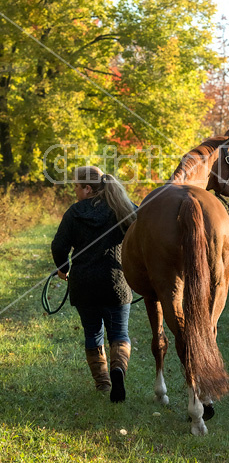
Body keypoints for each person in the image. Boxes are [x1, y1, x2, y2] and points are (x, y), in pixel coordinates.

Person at [51, 166, 137, 403]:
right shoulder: (122, 208)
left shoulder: (74, 212)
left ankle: (102, 383)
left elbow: (59, 246)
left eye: (76, 187)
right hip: (116, 282)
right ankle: (118, 369)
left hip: (83, 284)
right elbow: (143, 230)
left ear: (87, 188)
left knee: (92, 333)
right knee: (119, 333)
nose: (76, 192)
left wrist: (63, 268)